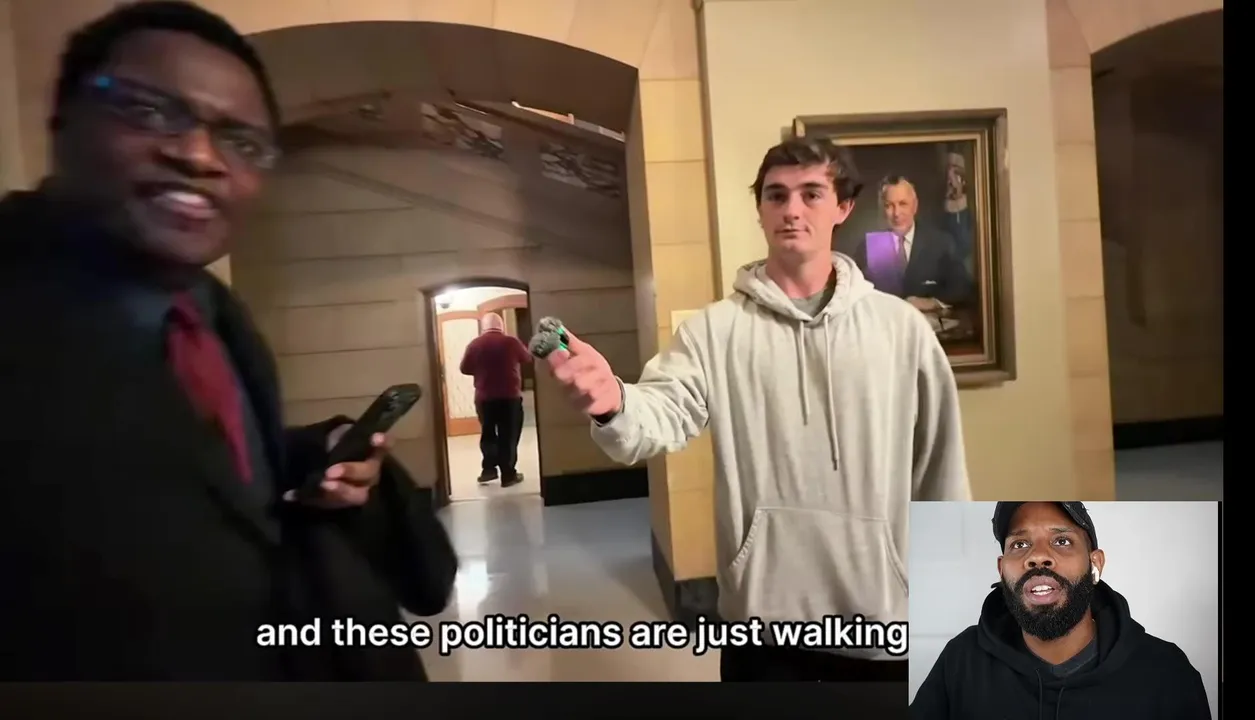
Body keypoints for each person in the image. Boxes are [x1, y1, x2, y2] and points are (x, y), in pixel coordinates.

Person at [0, 1, 457, 680]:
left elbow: (203, 469)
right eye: (149, 111)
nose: (198, 155)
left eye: (242, 142)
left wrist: (312, 458)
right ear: (63, 120)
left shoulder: (212, 311)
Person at [541, 137, 971, 681]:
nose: (792, 209)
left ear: (842, 207)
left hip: (884, 628)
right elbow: (659, 414)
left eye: (811, 194)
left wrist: (956, 606)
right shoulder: (714, 332)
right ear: (761, 210)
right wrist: (614, 403)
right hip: (762, 631)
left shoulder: (901, 330)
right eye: (776, 195)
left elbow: (942, 471)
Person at [910, 502, 1213, 719]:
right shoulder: (962, 659)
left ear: (1095, 563)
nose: (1038, 556)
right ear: (1002, 570)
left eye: (1062, 540)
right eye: (1020, 544)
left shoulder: (1166, 671)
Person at [853, 175, 971, 309]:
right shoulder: (868, 247)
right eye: (889, 205)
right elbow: (856, 295)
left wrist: (932, 302)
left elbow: (962, 287)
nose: (896, 213)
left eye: (903, 204)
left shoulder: (940, 242)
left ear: (915, 206)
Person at [459, 311, 534, 487]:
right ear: (501, 326)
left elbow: (464, 368)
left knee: (488, 434)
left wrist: (481, 370)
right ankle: (508, 475)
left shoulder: (475, 344)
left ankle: (489, 470)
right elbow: (527, 358)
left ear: (483, 327)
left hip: (484, 398)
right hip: (510, 397)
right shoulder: (511, 342)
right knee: (509, 435)